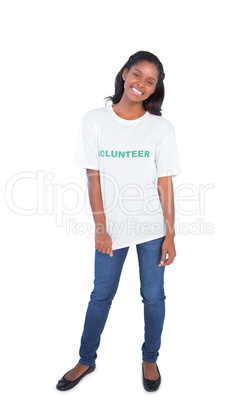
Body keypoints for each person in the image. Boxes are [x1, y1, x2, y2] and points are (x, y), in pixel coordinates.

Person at [56, 50, 182, 392]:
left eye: (150, 81)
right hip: (111, 232)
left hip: (153, 230)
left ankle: (150, 358)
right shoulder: (94, 120)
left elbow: (165, 184)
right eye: (137, 74)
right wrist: (101, 229)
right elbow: (93, 178)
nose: (141, 83)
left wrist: (170, 235)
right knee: (101, 295)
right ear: (125, 73)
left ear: (155, 89)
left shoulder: (160, 128)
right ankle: (86, 358)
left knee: (154, 296)